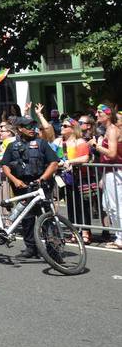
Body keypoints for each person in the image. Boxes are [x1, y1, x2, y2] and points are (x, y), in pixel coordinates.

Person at [0, 116, 59, 259]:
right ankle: (31, 248)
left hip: (40, 186)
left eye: (34, 127)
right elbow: (5, 165)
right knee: (27, 218)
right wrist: (14, 180)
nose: (32, 130)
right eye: (28, 127)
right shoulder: (12, 146)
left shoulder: (42, 143)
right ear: (20, 129)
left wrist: (42, 178)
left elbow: (54, 163)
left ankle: (53, 250)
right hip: (21, 186)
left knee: (46, 218)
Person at [57, 117, 92, 243]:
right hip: (68, 178)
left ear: (73, 129)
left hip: (81, 178)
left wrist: (69, 161)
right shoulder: (62, 143)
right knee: (71, 206)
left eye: (65, 126)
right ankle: (74, 232)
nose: (62, 127)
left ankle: (86, 232)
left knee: (83, 205)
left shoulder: (80, 142)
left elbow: (85, 158)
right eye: (62, 125)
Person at [90, 104, 121, 249]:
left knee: (116, 207)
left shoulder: (113, 130)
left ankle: (120, 239)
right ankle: (118, 237)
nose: (97, 115)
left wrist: (96, 146)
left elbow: (112, 153)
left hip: (116, 172)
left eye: (100, 112)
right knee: (108, 206)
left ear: (108, 115)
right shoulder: (108, 130)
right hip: (109, 172)